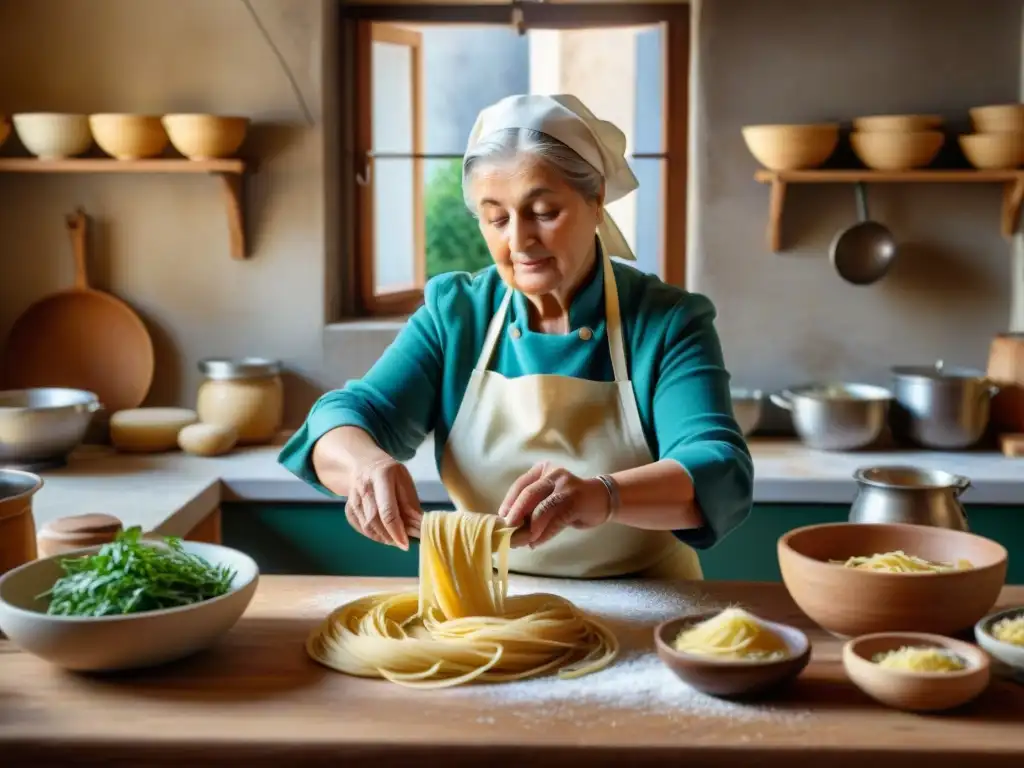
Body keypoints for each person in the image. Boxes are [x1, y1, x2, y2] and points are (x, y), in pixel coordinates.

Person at [279, 93, 754, 580]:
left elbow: (718, 466)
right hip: (483, 600)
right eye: (497, 218)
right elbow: (342, 417)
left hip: (646, 600)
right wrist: (365, 467)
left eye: (544, 212)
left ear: (596, 203)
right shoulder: (457, 315)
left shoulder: (666, 321)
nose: (519, 241)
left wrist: (601, 495)